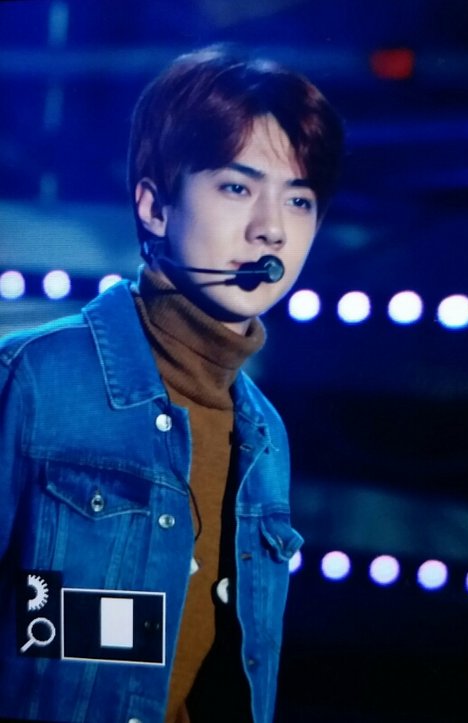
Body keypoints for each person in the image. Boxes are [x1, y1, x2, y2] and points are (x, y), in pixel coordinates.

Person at [0, 45, 343, 723]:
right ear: (155, 207)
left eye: (299, 199)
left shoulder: (265, 435)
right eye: (237, 187)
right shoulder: (34, 381)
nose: (272, 229)